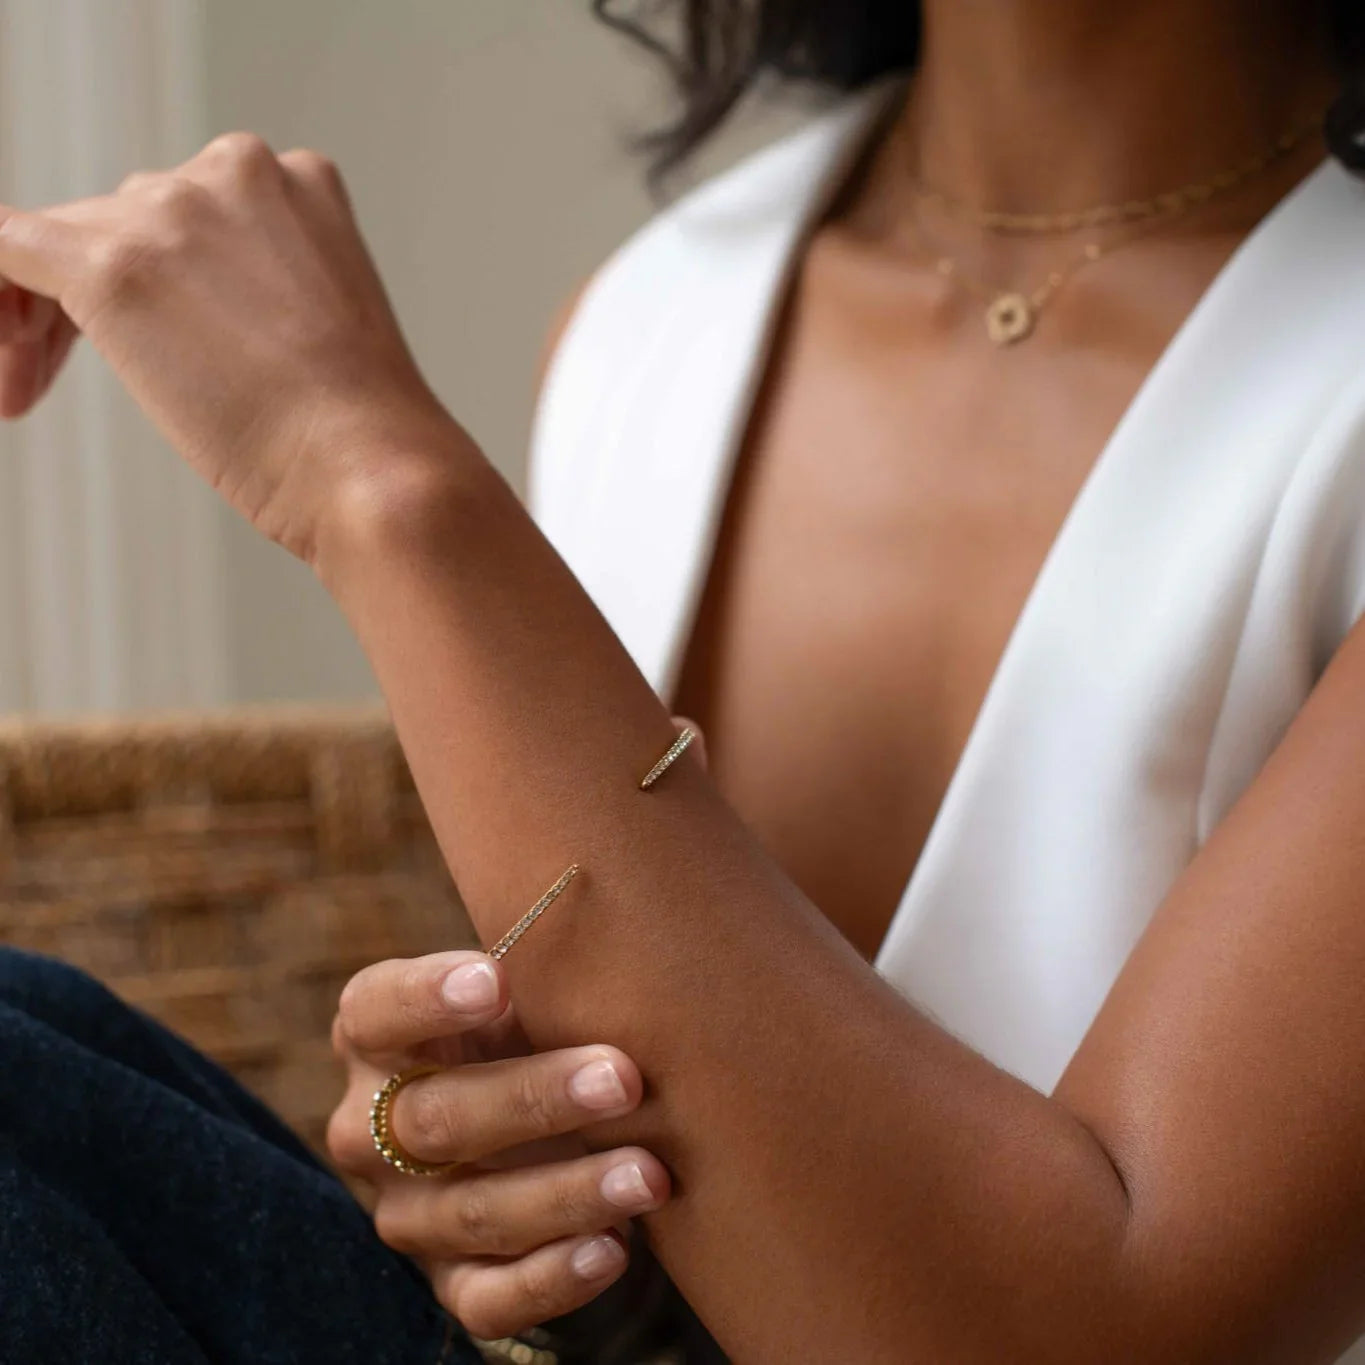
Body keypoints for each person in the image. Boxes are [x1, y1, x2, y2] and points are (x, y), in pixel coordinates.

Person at [3, 0, 1365, 1360]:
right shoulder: (657, 315)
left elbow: (1113, 1332)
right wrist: (478, 1160)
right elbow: (587, 1096)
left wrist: (371, 475)